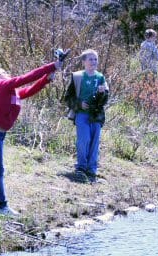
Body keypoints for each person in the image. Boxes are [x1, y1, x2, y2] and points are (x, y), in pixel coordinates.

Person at [0, 59, 63, 216]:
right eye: (3, 72)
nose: (7, 73)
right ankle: (1, 205)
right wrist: (52, 66)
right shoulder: (2, 84)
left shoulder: (9, 91)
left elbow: (28, 91)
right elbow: (27, 77)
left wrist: (46, 79)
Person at [70, 49, 108, 183]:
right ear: (83, 61)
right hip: (82, 115)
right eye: (90, 59)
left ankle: (92, 169)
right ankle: (81, 167)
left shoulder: (101, 77)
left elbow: (104, 100)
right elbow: (68, 97)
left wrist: (102, 93)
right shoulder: (77, 76)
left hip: (96, 115)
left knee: (94, 142)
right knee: (83, 140)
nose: (93, 62)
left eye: (95, 59)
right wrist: (80, 104)